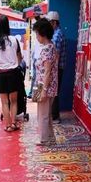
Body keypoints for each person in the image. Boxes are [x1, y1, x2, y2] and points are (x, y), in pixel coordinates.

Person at [0, 15, 23, 132]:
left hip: (0, 74)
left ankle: (8, 125)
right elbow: (20, 57)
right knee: (14, 101)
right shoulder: (14, 40)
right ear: (7, 26)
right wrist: (15, 64)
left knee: (4, 102)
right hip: (13, 73)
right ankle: (14, 123)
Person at [32, 17, 58, 146]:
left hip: (44, 86)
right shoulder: (50, 47)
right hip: (43, 85)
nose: (36, 36)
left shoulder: (47, 49)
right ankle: (50, 138)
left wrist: (44, 91)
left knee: (43, 114)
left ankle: (45, 139)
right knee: (45, 114)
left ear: (42, 33)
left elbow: (47, 72)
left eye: (37, 33)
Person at [47, 11, 66, 124]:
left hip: (57, 68)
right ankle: (54, 115)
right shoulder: (57, 33)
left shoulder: (57, 35)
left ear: (54, 22)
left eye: (49, 22)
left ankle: (55, 116)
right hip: (57, 67)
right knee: (54, 91)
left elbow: (56, 54)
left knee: (54, 91)